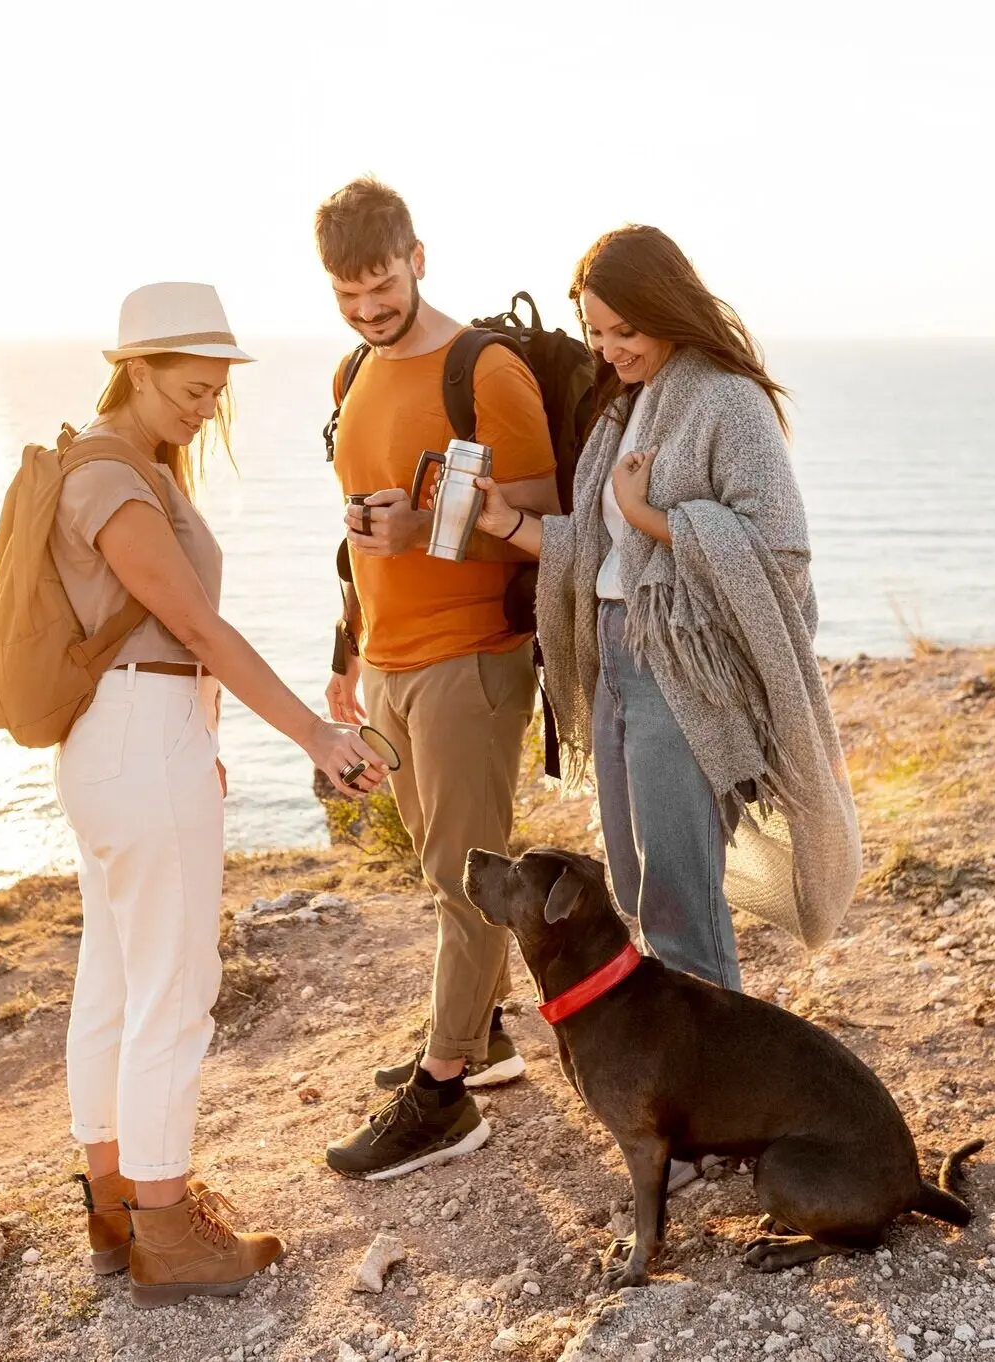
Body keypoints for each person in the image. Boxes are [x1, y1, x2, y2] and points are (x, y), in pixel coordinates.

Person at [471, 226, 862, 1184]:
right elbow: (594, 551)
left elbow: (779, 545)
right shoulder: (624, 408)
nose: (608, 350)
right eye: (596, 333)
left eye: (624, 331)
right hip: (614, 658)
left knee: (682, 898)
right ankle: (682, 1105)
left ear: (667, 308)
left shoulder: (727, 401)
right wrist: (504, 520)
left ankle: (715, 1122)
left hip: (679, 667)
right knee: (638, 890)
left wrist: (653, 517)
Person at [55, 282, 386, 1306]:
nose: (207, 408)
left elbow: (162, 639)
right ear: (135, 371)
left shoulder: (122, 464)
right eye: (191, 389)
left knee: (116, 979)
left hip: (125, 741)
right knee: (174, 988)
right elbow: (196, 625)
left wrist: (194, 736)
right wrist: (316, 735)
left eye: (216, 390)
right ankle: (167, 1232)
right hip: (139, 743)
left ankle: (117, 1205)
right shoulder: (112, 477)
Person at [314, 178, 559, 1180]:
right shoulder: (351, 372)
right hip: (389, 662)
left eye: (382, 286)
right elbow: (355, 536)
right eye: (348, 296)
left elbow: (544, 521)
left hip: (471, 658)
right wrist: (348, 649)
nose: (369, 310)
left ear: (418, 258)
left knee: (468, 883)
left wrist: (425, 529)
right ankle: (484, 1036)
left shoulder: (483, 369)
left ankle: (445, 1095)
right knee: (439, 868)